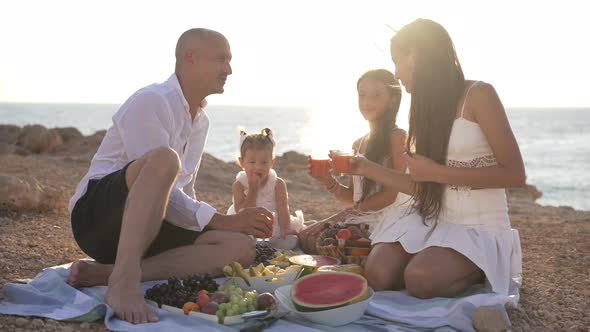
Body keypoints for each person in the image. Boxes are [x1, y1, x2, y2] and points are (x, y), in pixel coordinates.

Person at [66, 28, 274, 324]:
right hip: (98, 219)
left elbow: (182, 193)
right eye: (221, 60)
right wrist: (221, 219)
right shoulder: (151, 100)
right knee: (165, 159)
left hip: (150, 225)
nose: (229, 69)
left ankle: (107, 273)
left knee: (240, 247)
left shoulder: (201, 121)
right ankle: (123, 283)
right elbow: (156, 176)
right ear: (190, 58)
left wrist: (227, 228)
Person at [351, 19, 524, 298]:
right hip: (435, 219)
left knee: (421, 279)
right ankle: (439, 259)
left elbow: (515, 174)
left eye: (398, 61)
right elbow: (422, 184)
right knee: (378, 273)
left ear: (417, 54)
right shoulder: (422, 109)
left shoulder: (478, 94)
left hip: (478, 227)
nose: (396, 73)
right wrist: (364, 167)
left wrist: (437, 172)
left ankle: (482, 267)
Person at [298, 69, 407, 254]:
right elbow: (353, 197)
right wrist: (328, 181)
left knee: (326, 243)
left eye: (376, 95)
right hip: (360, 218)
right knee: (305, 238)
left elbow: (391, 196)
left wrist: (339, 217)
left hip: (388, 220)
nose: (366, 102)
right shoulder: (359, 143)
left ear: (392, 100)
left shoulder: (398, 138)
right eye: (362, 95)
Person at [227, 128, 303, 239]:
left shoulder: (278, 184)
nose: (258, 167)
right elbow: (242, 214)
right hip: (245, 227)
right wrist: (253, 189)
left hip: (272, 225)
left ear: (272, 162)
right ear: (242, 162)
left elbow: (283, 211)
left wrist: (286, 229)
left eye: (264, 162)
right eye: (252, 162)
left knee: (296, 235)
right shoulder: (239, 185)